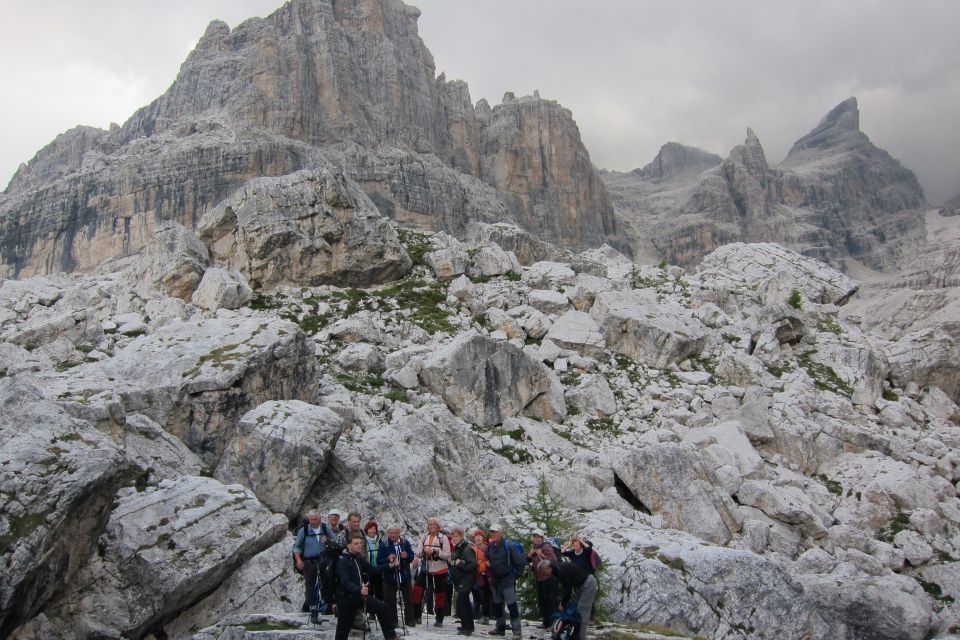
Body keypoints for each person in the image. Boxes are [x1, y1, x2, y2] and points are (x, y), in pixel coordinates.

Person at [335, 533, 398, 640]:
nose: (359, 545)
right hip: (346, 598)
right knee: (343, 628)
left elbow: (371, 569)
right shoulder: (342, 560)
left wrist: (389, 565)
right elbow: (345, 581)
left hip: (359, 595)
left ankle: (391, 637)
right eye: (356, 543)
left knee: (382, 607)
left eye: (361, 543)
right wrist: (359, 589)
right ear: (348, 546)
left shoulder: (358, 557)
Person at [539, 560, 596, 640]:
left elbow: (567, 590)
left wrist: (562, 603)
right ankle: (576, 636)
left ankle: (581, 637)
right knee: (577, 612)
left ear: (548, 568)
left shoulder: (560, 570)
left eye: (543, 572)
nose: (544, 574)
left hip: (587, 583)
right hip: (579, 586)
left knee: (582, 613)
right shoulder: (557, 569)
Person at [484, 524, 524, 639]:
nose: (493, 534)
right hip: (496, 581)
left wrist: (515, 576)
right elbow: (486, 559)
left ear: (501, 532)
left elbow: (520, 562)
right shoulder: (491, 546)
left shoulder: (508, 545)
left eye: (495, 532)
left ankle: (517, 631)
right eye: (491, 532)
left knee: (512, 606)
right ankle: (500, 628)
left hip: (507, 580)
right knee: (497, 605)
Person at [413, 517, 452, 627]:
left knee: (440, 595)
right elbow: (418, 552)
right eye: (430, 524)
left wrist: (435, 551)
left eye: (434, 524)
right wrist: (423, 552)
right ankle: (417, 616)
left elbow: (447, 554)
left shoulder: (443, 538)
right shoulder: (424, 537)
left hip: (440, 570)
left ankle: (439, 618)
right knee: (417, 591)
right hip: (426, 569)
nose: (432, 526)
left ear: (438, 526)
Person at [292, 510, 330, 615]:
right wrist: (299, 560)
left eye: (315, 519)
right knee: (310, 584)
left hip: (324, 560)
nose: (313, 522)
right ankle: (311, 606)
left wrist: (328, 542)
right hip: (309, 561)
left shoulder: (325, 528)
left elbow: (334, 541)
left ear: (320, 519)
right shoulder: (304, 530)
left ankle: (326, 604)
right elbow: (297, 547)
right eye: (311, 519)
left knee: (326, 581)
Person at [379, 525, 416, 629]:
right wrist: (388, 559)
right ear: (388, 533)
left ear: (399, 533)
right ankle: (393, 621)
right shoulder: (384, 545)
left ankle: (410, 620)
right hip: (390, 577)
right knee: (390, 600)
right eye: (391, 533)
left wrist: (407, 556)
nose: (394, 535)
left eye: (396, 533)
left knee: (408, 599)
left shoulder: (405, 542)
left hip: (404, 576)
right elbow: (379, 561)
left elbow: (411, 556)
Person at [449, 527, 478, 636]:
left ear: (461, 536)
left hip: (466, 580)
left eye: (456, 536)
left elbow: (473, 564)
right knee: (465, 603)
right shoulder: (458, 548)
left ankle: (467, 628)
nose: (454, 538)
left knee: (461, 603)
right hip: (461, 579)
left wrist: (460, 563)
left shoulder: (466, 549)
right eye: (453, 536)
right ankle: (467, 626)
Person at [527, 530, 558, 629]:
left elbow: (554, 560)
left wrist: (542, 555)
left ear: (542, 538)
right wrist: (529, 555)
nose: (536, 539)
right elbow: (527, 560)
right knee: (542, 600)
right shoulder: (534, 547)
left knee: (550, 600)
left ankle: (552, 622)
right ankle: (546, 622)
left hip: (548, 577)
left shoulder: (546, 547)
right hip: (539, 577)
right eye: (535, 537)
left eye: (538, 537)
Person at [470, 529, 492, 625]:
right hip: (478, 575)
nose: (478, 539)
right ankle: (483, 615)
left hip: (488, 575)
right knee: (481, 596)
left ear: (483, 538)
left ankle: (488, 615)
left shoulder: (487, 548)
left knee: (488, 596)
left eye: (480, 537)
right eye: (476, 537)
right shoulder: (473, 549)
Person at [364, 520, 385, 601]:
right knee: (369, 591)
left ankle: (379, 609)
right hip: (367, 570)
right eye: (370, 529)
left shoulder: (380, 542)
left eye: (374, 529)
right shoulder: (363, 542)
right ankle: (370, 611)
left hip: (378, 570)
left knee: (379, 591)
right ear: (367, 530)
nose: (372, 530)